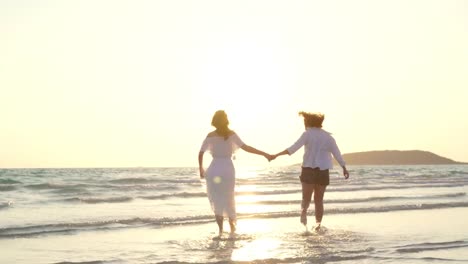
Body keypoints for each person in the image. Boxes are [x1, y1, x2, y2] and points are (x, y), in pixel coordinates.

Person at [198, 110, 273, 236]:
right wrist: (264, 154)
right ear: (226, 120)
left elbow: (200, 153)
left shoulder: (210, 135)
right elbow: (246, 147)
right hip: (227, 169)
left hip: (214, 168)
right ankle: (232, 229)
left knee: (217, 201)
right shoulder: (231, 134)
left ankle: (221, 231)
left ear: (214, 121)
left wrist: (201, 168)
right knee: (229, 199)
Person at [272, 111, 349, 231]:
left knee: (306, 198)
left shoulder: (307, 134)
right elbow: (337, 154)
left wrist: (276, 155)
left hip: (308, 169)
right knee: (319, 200)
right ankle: (318, 224)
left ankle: (303, 213)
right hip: (323, 171)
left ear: (308, 122)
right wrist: (344, 167)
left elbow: (293, 148)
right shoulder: (328, 137)